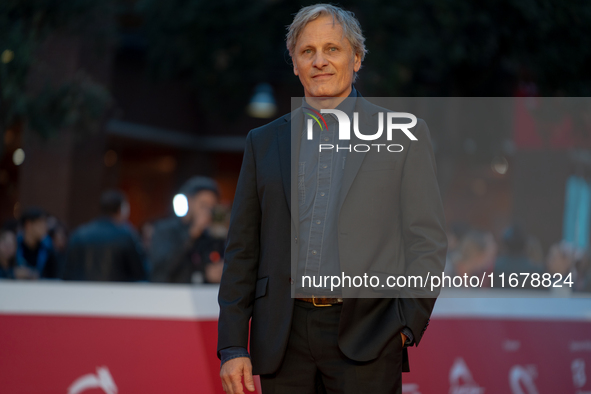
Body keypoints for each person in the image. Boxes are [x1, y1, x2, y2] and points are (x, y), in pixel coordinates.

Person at [217, 4, 447, 394]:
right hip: (282, 339)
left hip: (368, 336)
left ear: (356, 58)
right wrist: (234, 344)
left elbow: (426, 241)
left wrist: (405, 325)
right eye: (308, 51)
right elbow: (242, 248)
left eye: (332, 49)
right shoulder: (263, 142)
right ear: (294, 63)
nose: (319, 61)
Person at [150, 176, 225, 284]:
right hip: (167, 296)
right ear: (189, 202)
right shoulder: (165, 230)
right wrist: (192, 234)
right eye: (203, 206)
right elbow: (162, 270)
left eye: (211, 208)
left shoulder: (210, 236)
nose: (208, 212)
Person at [62, 190, 147, 282]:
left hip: (82, 292)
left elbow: (67, 271)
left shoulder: (79, 233)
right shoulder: (126, 235)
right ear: (121, 209)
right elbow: (139, 272)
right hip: (114, 292)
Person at [16, 208, 59, 279]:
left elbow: (54, 276)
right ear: (28, 224)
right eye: (41, 222)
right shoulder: (14, 246)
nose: (45, 226)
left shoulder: (48, 249)